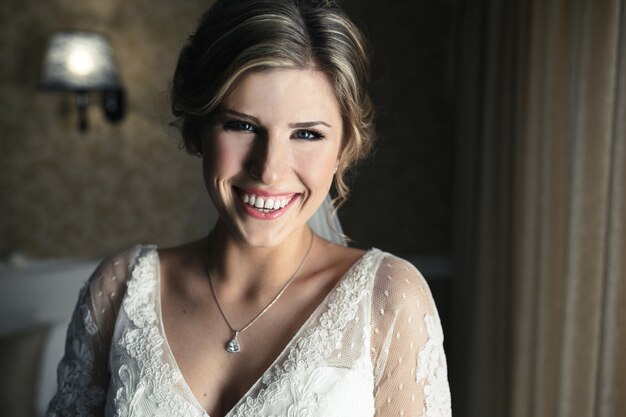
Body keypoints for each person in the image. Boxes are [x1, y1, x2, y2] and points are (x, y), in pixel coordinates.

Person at [46, 0, 451, 416]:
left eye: (307, 134)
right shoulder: (119, 290)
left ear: (344, 148)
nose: (269, 170)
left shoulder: (390, 298)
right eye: (241, 125)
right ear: (200, 128)